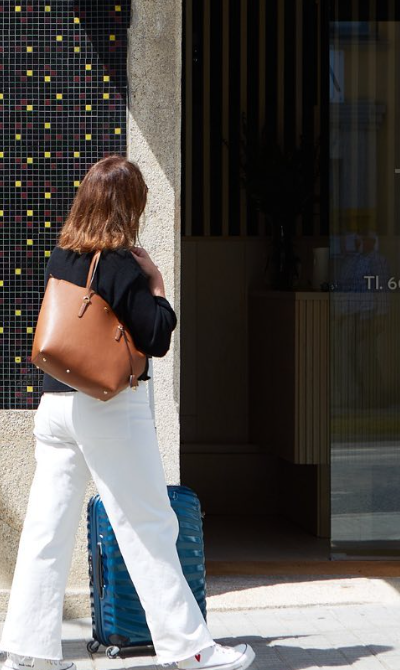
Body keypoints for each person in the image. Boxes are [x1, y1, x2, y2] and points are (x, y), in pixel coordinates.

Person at [0, 156, 255, 670]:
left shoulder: (63, 255)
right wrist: (156, 284)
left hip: (55, 406)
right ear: (128, 205)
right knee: (148, 525)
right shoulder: (120, 264)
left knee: (46, 530)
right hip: (108, 408)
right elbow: (156, 337)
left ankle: (28, 651)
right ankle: (192, 650)